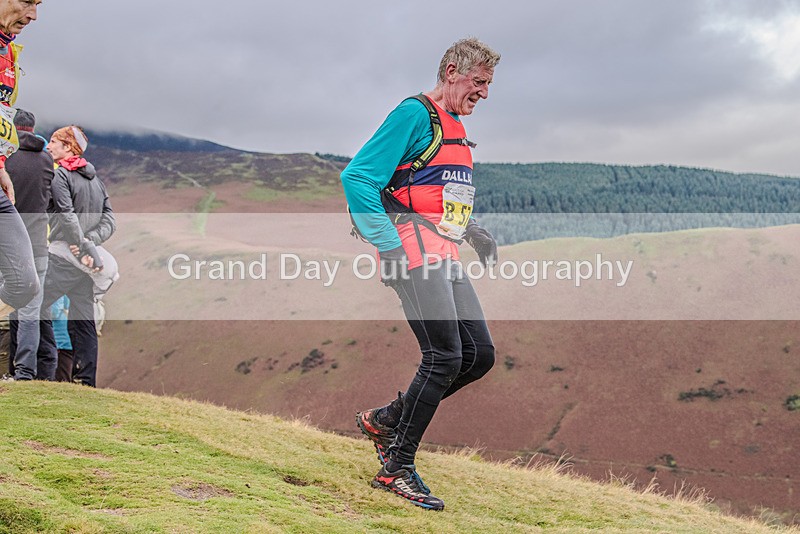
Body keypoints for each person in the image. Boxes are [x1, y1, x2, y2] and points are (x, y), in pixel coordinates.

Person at [341, 37, 500, 510]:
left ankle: (387, 419)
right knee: (445, 357)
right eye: (479, 82)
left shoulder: (453, 125)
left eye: (489, 85)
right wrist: (388, 248)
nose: (485, 94)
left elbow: (430, 191)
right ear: (452, 71)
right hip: (412, 252)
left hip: (445, 252)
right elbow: (358, 177)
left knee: (479, 354)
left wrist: (471, 229)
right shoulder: (414, 113)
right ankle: (397, 468)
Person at [38, 126, 115, 387]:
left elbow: (66, 214)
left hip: (63, 255)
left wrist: (79, 243)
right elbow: (109, 220)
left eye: (54, 142)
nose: (49, 146)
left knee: (32, 305)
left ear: (69, 147)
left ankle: (36, 372)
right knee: (84, 320)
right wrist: (89, 243)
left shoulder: (61, 176)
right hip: (86, 263)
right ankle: (86, 379)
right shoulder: (97, 182)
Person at [0, 0, 43, 319]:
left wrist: (1, 165)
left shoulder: (8, 53)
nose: (33, 15)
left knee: (24, 283)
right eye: (27, 1)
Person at [6, 109, 54, 380]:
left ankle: (15, 370)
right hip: (37, 246)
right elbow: (51, 201)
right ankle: (24, 373)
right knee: (30, 312)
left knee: (9, 306)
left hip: (8, 246)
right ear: (33, 128)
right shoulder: (46, 160)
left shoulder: (6, 158)